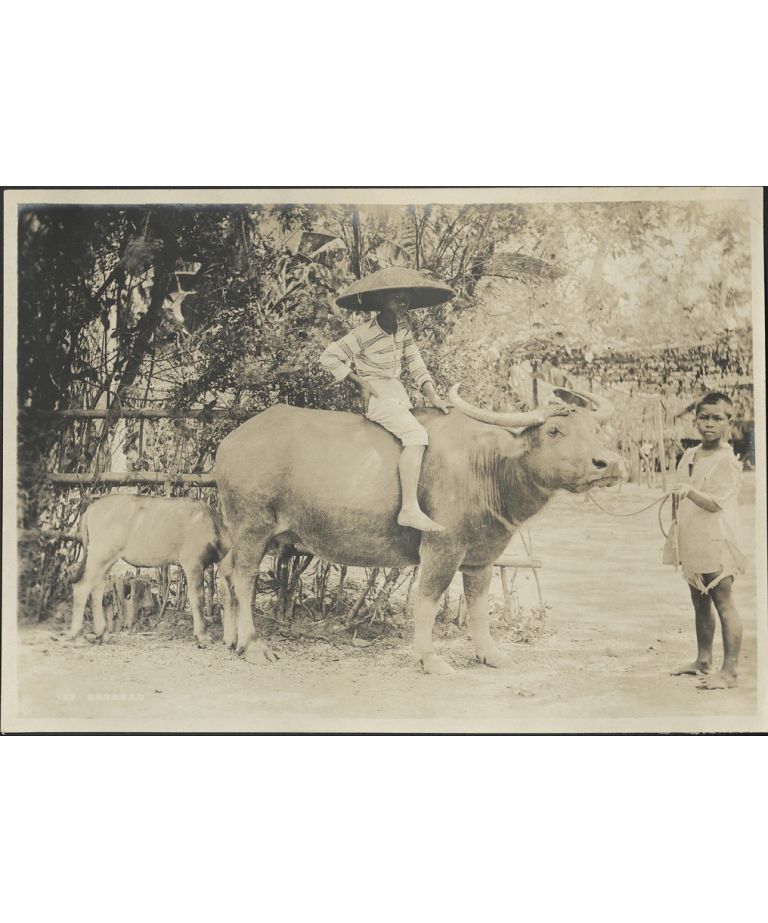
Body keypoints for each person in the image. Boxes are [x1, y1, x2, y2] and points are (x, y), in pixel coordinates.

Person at [320, 267, 453, 532]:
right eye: (396, 298)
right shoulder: (364, 333)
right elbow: (328, 357)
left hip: (397, 394)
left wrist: (434, 397)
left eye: (406, 298)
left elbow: (416, 363)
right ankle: (409, 509)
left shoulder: (403, 329)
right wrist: (360, 382)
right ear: (382, 300)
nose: (403, 303)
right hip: (377, 396)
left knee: (429, 432)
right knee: (416, 436)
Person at [664, 392, 748, 689]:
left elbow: (715, 504)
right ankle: (703, 660)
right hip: (693, 536)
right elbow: (681, 492)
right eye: (703, 418)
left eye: (717, 418)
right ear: (695, 421)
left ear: (729, 423)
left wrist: (689, 492)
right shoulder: (689, 455)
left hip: (717, 538)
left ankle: (730, 671)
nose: (709, 424)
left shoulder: (727, 461)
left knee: (723, 602)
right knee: (699, 601)